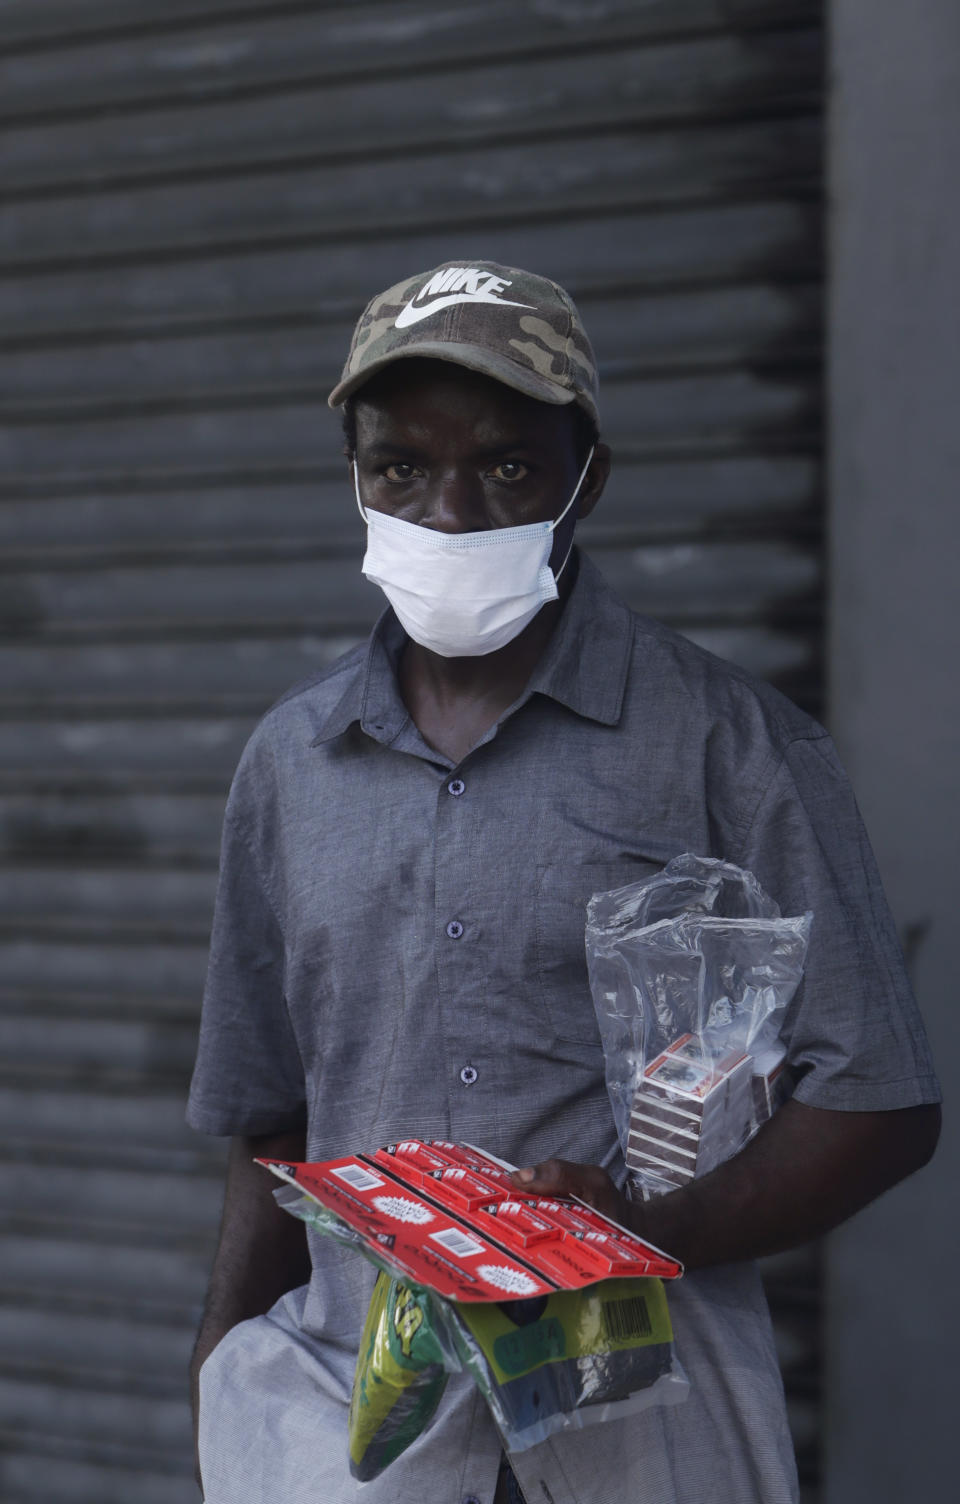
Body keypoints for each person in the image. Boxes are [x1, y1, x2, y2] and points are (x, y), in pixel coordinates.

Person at [186, 261, 941, 1504]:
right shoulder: (291, 765)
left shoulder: (732, 746)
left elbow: (882, 1101)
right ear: (357, 480)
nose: (450, 510)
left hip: (637, 1432)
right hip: (354, 1435)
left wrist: (641, 1233)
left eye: (508, 468)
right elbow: (271, 1118)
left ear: (587, 476)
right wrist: (218, 1373)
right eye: (399, 471)